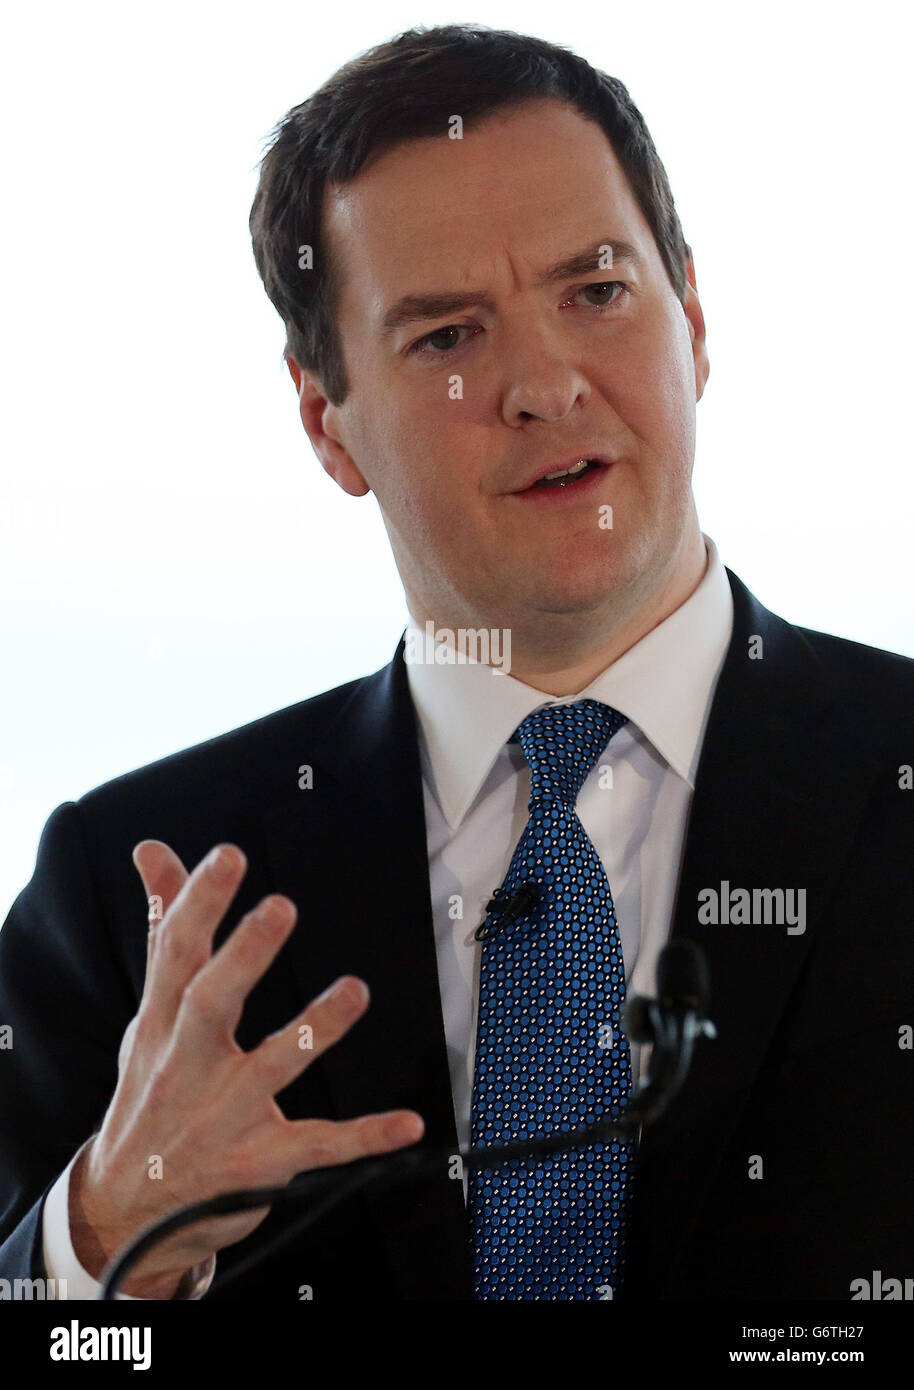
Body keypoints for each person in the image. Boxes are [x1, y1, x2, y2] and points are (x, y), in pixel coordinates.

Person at [1, 24, 912, 1302]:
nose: (542, 385)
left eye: (595, 292)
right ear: (327, 423)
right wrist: (98, 1249)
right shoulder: (138, 895)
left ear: (693, 320)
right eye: (444, 338)